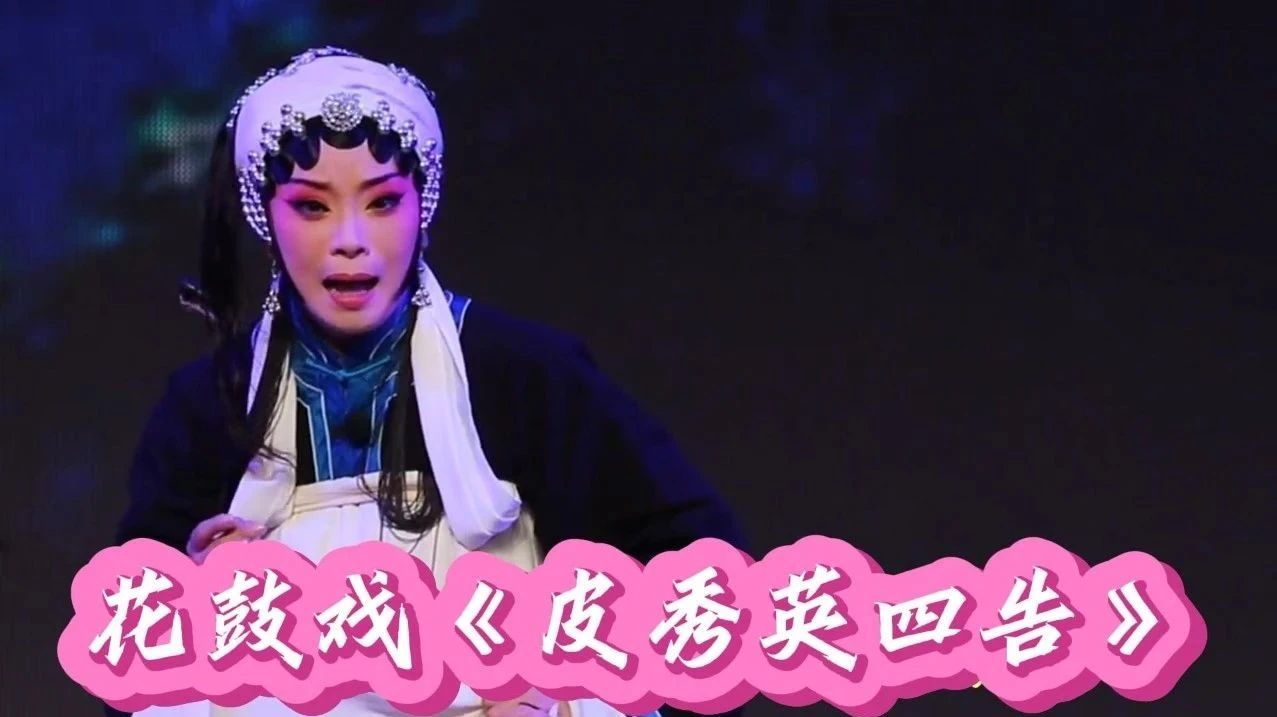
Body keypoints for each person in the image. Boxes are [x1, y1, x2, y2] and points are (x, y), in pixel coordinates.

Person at [108, 47, 748, 717]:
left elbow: (701, 580)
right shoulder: (209, 404)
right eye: (312, 207)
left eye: (383, 201)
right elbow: (128, 652)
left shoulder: (523, 374)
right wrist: (193, 600)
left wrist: (564, 693)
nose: (350, 239)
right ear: (266, 214)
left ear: (424, 204)